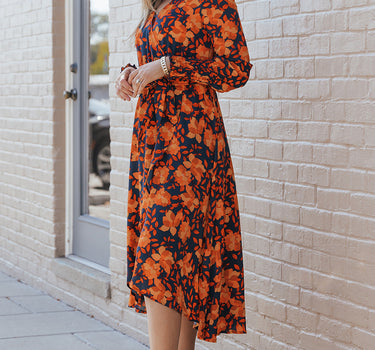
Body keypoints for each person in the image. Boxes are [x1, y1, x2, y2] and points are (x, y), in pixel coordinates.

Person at [115, 0, 252, 349]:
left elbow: (236, 70)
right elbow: (154, 58)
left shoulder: (213, 2)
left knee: (164, 250)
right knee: (179, 250)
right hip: (151, 137)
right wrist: (130, 73)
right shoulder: (155, 4)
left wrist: (166, 67)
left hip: (191, 139)